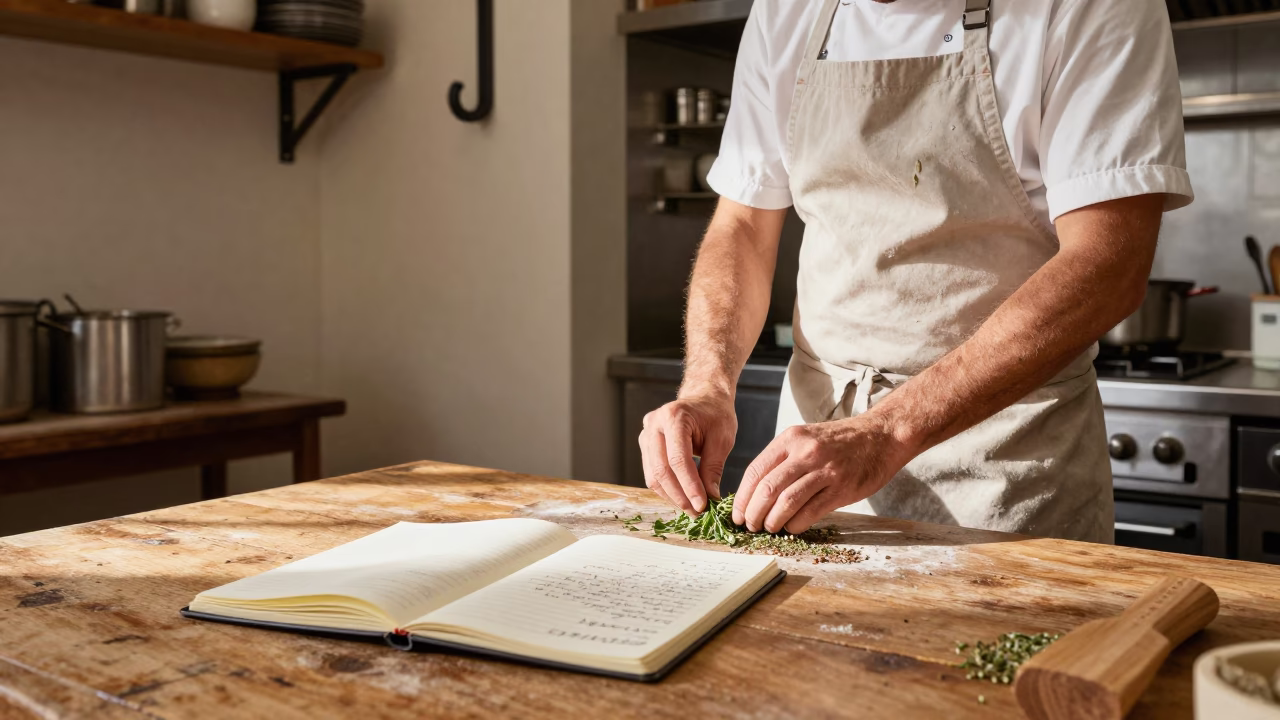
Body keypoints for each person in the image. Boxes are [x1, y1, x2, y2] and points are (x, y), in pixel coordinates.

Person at [637, 0, 1193, 543]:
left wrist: (886, 430)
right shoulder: (785, 10)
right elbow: (743, 225)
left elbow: (1108, 262)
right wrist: (708, 386)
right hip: (816, 449)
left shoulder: (1094, 6)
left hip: (1006, 456)